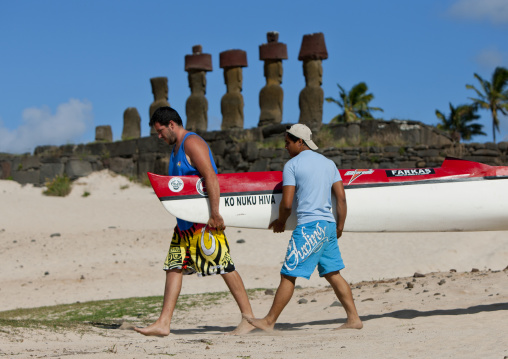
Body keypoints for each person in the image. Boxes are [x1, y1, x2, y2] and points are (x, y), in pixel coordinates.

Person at [135, 107, 255, 336]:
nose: (159, 136)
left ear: (171, 124)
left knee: (224, 266)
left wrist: (216, 214)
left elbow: (210, 175)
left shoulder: (192, 143)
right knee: (173, 268)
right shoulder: (176, 148)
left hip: (203, 223)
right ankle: (163, 323)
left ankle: (248, 318)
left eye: (160, 131)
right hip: (184, 226)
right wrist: (179, 219)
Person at [245, 124, 363, 331]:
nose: (285, 147)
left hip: (310, 227)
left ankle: (269, 321)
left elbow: (288, 203)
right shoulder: (329, 164)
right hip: (328, 225)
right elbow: (341, 199)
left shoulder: (292, 165)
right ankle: (354, 319)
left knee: (289, 274)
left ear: (300, 142)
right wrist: (340, 226)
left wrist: (281, 221)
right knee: (333, 273)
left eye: (288, 143)